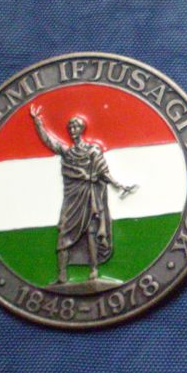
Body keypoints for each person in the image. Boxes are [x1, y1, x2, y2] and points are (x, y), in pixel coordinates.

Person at [30, 105, 135, 284]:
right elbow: (49, 141)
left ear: (82, 129)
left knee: (91, 232)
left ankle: (94, 270)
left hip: (89, 196)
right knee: (64, 232)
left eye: (76, 126)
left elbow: (103, 172)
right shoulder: (68, 152)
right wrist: (37, 121)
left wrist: (119, 185)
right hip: (72, 199)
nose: (72, 130)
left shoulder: (92, 151)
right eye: (70, 127)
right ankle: (62, 275)